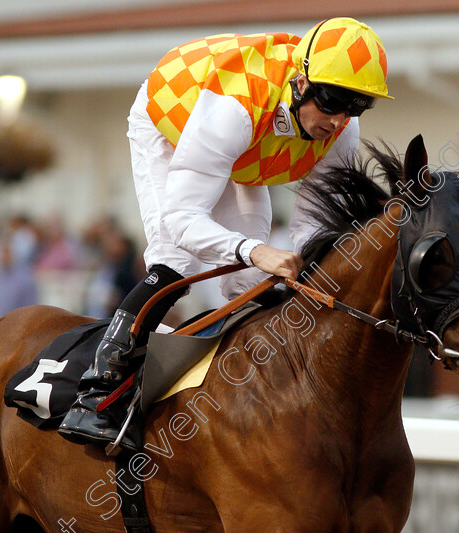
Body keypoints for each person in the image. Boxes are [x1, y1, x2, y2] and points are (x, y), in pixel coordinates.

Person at [60, 17, 393, 447]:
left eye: (356, 107)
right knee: (175, 263)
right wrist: (256, 249)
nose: (338, 120)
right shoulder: (235, 106)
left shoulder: (342, 129)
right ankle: (94, 395)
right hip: (173, 119)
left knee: (249, 280)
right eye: (331, 102)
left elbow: (313, 226)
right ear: (301, 81)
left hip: (245, 148)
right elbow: (182, 219)